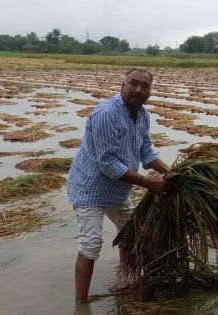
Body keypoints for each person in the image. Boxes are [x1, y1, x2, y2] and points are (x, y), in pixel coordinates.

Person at [68, 68, 170, 301]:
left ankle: (127, 279)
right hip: (89, 188)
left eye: (145, 86)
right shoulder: (106, 113)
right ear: (122, 84)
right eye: (133, 83)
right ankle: (81, 304)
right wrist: (146, 182)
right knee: (91, 244)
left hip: (118, 189)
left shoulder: (143, 115)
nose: (138, 90)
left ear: (149, 91)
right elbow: (107, 163)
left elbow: (146, 151)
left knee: (131, 234)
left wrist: (172, 173)